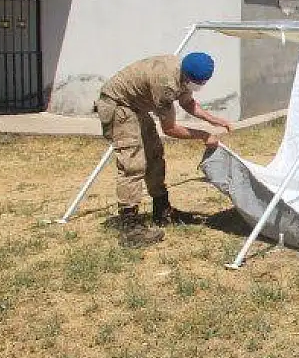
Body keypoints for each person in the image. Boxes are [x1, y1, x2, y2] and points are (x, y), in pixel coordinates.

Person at [94, 52, 233, 247]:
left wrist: (214, 120)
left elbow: (187, 102)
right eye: (197, 82)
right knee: (133, 162)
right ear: (187, 75)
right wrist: (203, 135)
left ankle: (162, 210)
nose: (198, 86)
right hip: (119, 105)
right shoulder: (166, 84)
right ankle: (129, 226)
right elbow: (170, 129)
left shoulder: (183, 72)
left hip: (137, 107)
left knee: (154, 155)